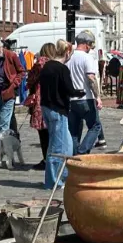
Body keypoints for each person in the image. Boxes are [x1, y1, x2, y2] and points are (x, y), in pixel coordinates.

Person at [38, 43, 84, 189]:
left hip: (47, 107)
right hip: (57, 110)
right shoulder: (61, 68)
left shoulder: (46, 66)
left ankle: (63, 177)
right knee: (58, 148)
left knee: (67, 145)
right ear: (67, 52)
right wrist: (81, 92)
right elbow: (69, 90)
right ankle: (54, 182)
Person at [67, 31, 103, 155]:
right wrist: (98, 96)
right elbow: (91, 78)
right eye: (90, 45)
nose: (90, 48)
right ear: (86, 44)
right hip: (85, 98)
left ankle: (74, 158)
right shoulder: (87, 58)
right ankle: (82, 152)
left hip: (71, 100)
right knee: (95, 126)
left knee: (74, 131)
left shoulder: (68, 58)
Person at [25, 43, 55, 170]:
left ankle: (46, 159)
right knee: (53, 132)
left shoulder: (39, 64)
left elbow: (30, 80)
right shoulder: (56, 64)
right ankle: (53, 158)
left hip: (40, 99)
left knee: (43, 133)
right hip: (53, 99)